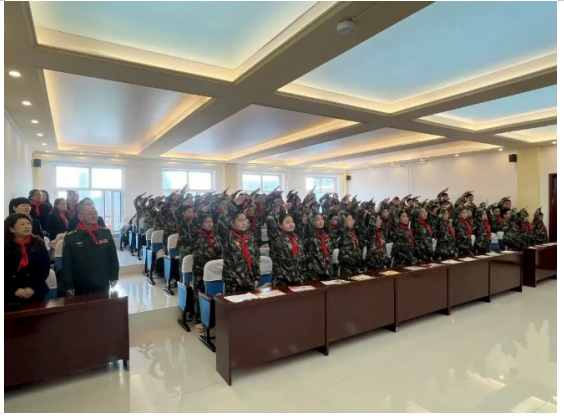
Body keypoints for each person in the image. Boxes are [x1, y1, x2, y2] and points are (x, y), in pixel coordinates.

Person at [61, 203, 119, 296]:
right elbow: (67, 262)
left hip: (102, 280)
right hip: (80, 282)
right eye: (90, 213)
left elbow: (113, 256)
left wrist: (114, 276)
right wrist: (69, 285)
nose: (94, 215)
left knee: (102, 303)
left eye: (95, 213)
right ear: (80, 216)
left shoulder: (105, 233)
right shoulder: (71, 237)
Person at [4, 214, 50, 305]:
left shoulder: (39, 243)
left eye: (28, 223)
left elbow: (45, 268)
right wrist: (14, 289)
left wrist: (33, 287)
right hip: (9, 292)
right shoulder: (5, 245)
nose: (27, 226)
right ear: (12, 229)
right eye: (22, 224)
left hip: (36, 290)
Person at [192, 211, 223, 332]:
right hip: (200, 270)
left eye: (211, 221)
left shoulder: (216, 236)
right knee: (200, 294)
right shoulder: (196, 236)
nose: (209, 224)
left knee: (214, 294)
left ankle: (214, 319)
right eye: (206, 222)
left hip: (214, 270)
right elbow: (198, 254)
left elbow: (221, 251)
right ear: (201, 223)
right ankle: (200, 320)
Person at [222, 210, 261, 294]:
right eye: (240, 220)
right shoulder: (228, 238)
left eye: (245, 220)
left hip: (250, 281)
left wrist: (256, 278)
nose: (244, 223)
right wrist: (238, 282)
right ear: (232, 223)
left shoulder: (251, 238)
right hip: (234, 284)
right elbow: (228, 264)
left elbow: (256, 258)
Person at [270, 213, 306, 285]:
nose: (291, 224)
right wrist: (282, 278)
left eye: (292, 222)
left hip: (300, 279)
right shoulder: (277, 241)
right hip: (283, 281)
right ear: (280, 225)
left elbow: (303, 259)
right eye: (287, 222)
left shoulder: (298, 239)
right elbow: (275, 264)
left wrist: (302, 276)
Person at [304, 213, 335, 280]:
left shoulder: (327, 237)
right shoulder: (309, 237)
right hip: (314, 273)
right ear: (313, 221)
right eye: (318, 220)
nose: (321, 221)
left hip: (327, 271)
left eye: (322, 219)